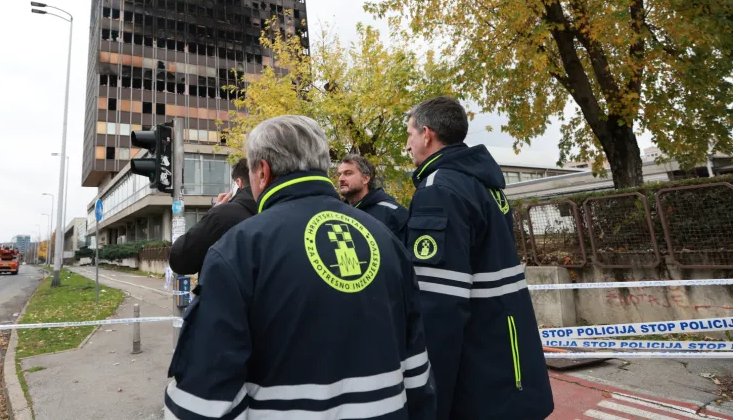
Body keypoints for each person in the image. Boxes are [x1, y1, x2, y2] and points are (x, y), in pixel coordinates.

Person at [165, 115, 436, 420]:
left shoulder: (239, 248)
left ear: (263, 172)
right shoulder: (386, 239)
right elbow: (419, 379)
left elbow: (201, 403)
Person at [403, 96, 554, 420]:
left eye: (410, 135)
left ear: (427, 134)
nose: (408, 144)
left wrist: (429, 403)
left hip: (477, 374)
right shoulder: (485, 185)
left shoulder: (438, 190)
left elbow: (439, 308)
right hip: (509, 359)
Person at [169, 158, 256, 275]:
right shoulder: (277, 209)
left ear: (238, 183)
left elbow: (179, 259)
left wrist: (215, 211)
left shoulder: (222, 215)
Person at [338, 153, 410, 245]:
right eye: (339, 174)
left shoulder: (394, 213)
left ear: (365, 179)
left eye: (348, 173)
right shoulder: (339, 213)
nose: (341, 179)